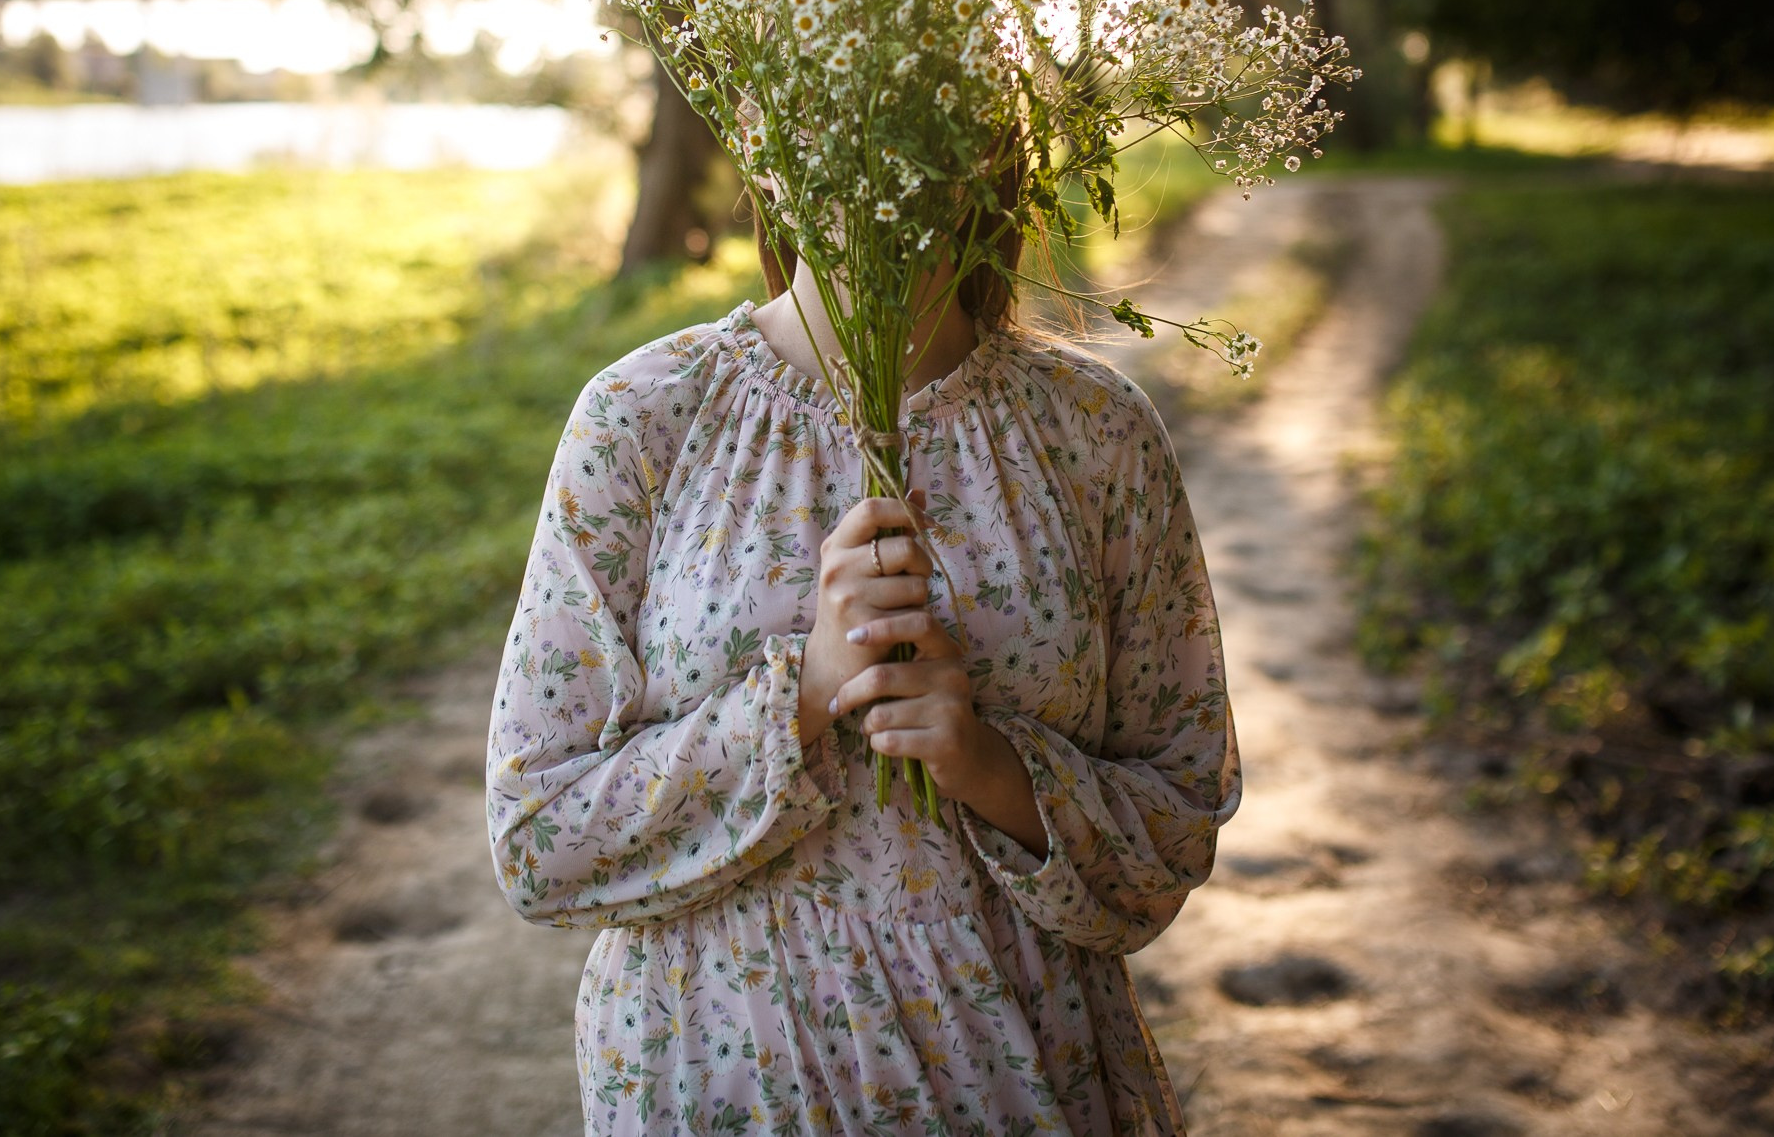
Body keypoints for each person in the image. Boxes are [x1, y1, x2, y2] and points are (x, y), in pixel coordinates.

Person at [486, 223, 1240, 1136]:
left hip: (1021, 1072)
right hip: (723, 1083)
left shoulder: (1095, 429)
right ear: (758, 133)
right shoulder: (644, 414)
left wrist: (989, 765)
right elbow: (537, 843)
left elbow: (1176, 828)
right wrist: (802, 693)